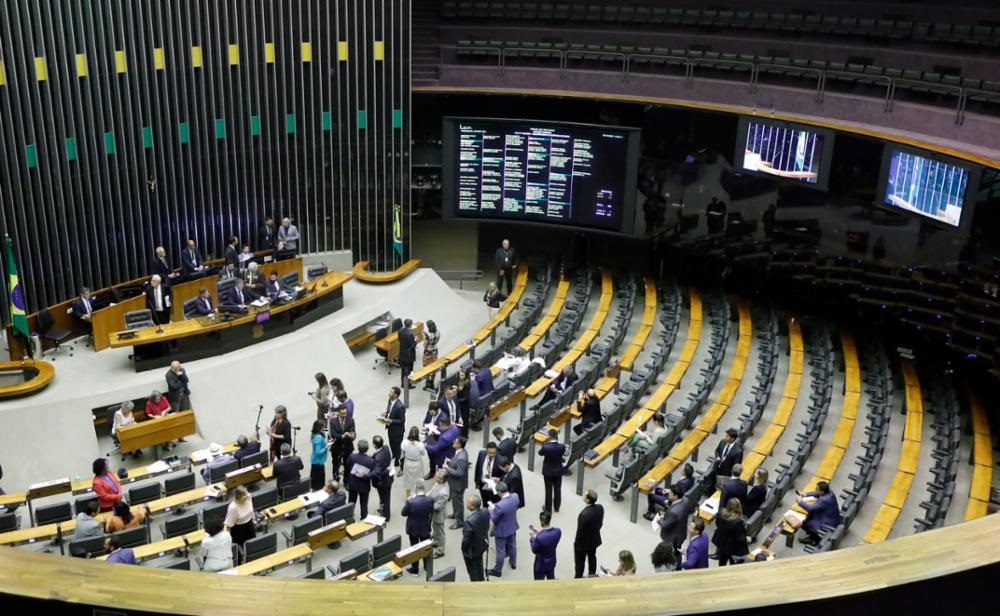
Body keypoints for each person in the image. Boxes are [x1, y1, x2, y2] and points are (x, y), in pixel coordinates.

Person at [401, 480, 435, 576]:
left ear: (415, 489)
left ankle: (415, 569)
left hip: (413, 528)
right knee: (425, 548)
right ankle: (426, 566)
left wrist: (407, 501)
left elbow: (403, 513)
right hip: (425, 527)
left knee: (414, 548)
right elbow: (431, 511)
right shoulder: (430, 500)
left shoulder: (411, 502)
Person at [487, 480, 519, 577]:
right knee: (513, 545)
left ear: (500, 492)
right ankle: (513, 563)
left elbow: (493, 518)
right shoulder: (515, 496)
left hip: (502, 531)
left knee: (500, 551)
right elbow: (508, 506)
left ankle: (497, 570)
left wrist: (491, 510)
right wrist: (496, 506)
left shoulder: (500, 506)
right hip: (512, 526)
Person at [796, 481, 842, 545]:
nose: (815, 490)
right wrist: (806, 494)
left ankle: (816, 540)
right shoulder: (830, 492)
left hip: (828, 523)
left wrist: (800, 502)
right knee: (810, 516)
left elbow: (810, 509)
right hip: (832, 517)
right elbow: (817, 493)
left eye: (817, 489)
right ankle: (813, 535)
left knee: (803, 523)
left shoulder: (824, 500)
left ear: (822, 491)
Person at [574, 489, 604, 578]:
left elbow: (580, 532)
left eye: (584, 495)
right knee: (592, 557)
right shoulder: (600, 507)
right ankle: (592, 575)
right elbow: (600, 523)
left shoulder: (583, 515)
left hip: (582, 544)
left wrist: (577, 543)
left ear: (587, 500)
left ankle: (578, 577)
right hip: (594, 539)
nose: (583, 496)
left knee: (580, 562)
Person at [654, 486, 686, 566]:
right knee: (677, 551)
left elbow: (665, 525)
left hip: (673, 537)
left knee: (673, 553)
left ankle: (675, 566)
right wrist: (666, 516)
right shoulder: (684, 502)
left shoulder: (674, 512)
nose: (668, 494)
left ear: (676, 496)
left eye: (671, 494)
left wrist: (658, 519)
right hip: (681, 533)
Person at [713, 498, 750, 566]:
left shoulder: (721, 514)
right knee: (734, 563)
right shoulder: (738, 522)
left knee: (722, 560)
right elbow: (740, 539)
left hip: (722, 542)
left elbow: (718, 524)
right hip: (732, 546)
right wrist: (747, 539)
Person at [462, 493, 490, 582]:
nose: (466, 504)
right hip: (482, 545)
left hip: (472, 550)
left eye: (468, 503)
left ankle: (475, 583)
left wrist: (464, 550)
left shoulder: (469, 522)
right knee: (479, 563)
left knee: (472, 569)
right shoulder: (485, 511)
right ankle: (481, 579)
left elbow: (466, 540)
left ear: (473, 507)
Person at [539, 429, 566, 513]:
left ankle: (548, 509)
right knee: (558, 489)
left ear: (549, 436)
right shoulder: (562, 446)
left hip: (548, 471)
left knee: (548, 490)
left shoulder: (545, 446)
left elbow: (540, 453)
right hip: (558, 470)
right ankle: (557, 507)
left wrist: (545, 443)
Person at [529, 510, 561, 580]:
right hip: (552, 561)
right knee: (551, 578)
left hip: (540, 564)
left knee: (539, 584)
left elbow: (534, 550)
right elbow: (548, 539)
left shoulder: (539, 538)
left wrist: (532, 538)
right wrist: (539, 533)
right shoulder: (558, 531)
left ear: (542, 521)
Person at [445, 436, 470, 528]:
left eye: (455, 442)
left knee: (458, 503)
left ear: (459, 444)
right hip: (454, 483)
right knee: (455, 501)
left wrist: (447, 468)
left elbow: (459, 473)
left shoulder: (461, 458)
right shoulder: (461, 452)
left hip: (458, 485)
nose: (453, 442)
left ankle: (460, 522)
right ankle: (455, 513)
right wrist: (451, 461)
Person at [346, 439, 375, 518]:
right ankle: (363, 519)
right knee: (364, 504)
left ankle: (349, 518)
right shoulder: (371, 461)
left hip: (353, 484)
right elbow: (372, 472)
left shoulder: (352, 456)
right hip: (364, 486)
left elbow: (348, 464)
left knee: (351, 503)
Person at [327, 405, 356, 481]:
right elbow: (333, 434)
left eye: (345, 413)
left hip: (348, 447)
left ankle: (346, 480)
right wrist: (343, 436)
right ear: (338, 413)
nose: (344, 415)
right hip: (337, 447)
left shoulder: (350, 420)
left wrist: (352, 436)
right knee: (336, 464)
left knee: (347, 465)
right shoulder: (333, 421)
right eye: (342, 413)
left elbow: (353, 431)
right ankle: (335, 479)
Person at [380, 387, 406, 467]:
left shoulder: (400, 406)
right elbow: (390, 410)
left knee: (397, 447)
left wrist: (391, 421)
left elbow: (402, 420)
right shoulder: (390, 400)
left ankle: (397, 461)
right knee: (392, 445)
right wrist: (386, 413)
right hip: (390, 429)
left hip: (397, 431)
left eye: (391, 392)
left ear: (396, 395)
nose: (389, 393)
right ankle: (394, 456)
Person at [400, 426, 430, 499]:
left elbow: (403, 451)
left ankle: (408, 496)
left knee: (408, 480)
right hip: (417, 463)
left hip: (408, 463)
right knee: (419, 480)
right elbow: (423, 454)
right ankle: (418, 496)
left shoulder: (404, 442)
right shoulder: (420, 444)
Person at [371, 435, 394, 521]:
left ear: (374, 445)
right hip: (389, 478)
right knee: (385, 497)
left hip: (383, 481)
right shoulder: (386, 448)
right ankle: (383, 509)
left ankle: (386, 516)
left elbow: (378, 472)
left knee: (385, 498)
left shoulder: (378, 459)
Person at [429, 469, 451, 558]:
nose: (435, 476)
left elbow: (437, 507)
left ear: (442, 479)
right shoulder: (439, 484)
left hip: (439, 515)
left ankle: (440, 550)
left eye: (437, 476)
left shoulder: (443, 492)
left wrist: (427, 503)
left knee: (440, 532)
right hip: (434, 515)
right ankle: (436, 542)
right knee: (435, 529)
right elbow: (432, 492)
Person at [421, 320, 440, 391]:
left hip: (428, 352)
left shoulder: (427, 336)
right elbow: (437, 341)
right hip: (434, 350)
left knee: (426, 367)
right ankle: (432, 382)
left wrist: (424, 338)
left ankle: (427, 383)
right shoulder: (438, 333)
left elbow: (425, 345)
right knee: (433, 367)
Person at [397, 318, 417, 386]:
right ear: (411, 325)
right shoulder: (410, 334)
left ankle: (403, 383)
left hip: (402, 353)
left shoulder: (400, 330)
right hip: (409, 356)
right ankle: (409, 384)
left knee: (403, 370)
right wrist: (415, 340)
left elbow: (399, 339)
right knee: (410, 370)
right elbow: (413, 345)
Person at [309, 420, 327, 490]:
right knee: (319, 480)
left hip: (315, 460)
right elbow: (318, 452)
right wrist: (326, 448)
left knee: (314, 478)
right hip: (318, 461)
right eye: (323, 427)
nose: (324, 428)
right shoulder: (318, 438)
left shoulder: (314, 435)